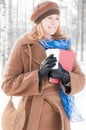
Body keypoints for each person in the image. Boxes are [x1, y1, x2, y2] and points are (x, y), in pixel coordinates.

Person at [2, 1, 85, 130]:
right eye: (49, 18)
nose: (54, 22)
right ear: (39, 21)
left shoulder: (64, 46)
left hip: (60, 115)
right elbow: (7, 85)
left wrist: (66, 77)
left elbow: (81, 79)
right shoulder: (24, 45)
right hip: (34, 115)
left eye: (57, 18)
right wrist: (38, 75)